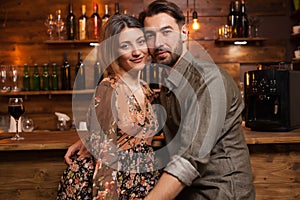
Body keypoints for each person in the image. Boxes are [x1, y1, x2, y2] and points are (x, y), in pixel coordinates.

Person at [138, 0, 256, 199]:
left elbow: (189, 160)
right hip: (190, 192)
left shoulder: (207, 79)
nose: (158, 43)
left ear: (184, 33)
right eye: (150, 35)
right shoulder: (169, 82)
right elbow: (145, 119)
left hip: (221, 193)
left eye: (167, 32)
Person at [57, 14, 161, 199]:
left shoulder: (144, 89)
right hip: (113, 188)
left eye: (140, 42)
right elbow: (105, 161)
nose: (137, 52)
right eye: (126, 46)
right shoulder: (110, 88)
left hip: (136, 185)